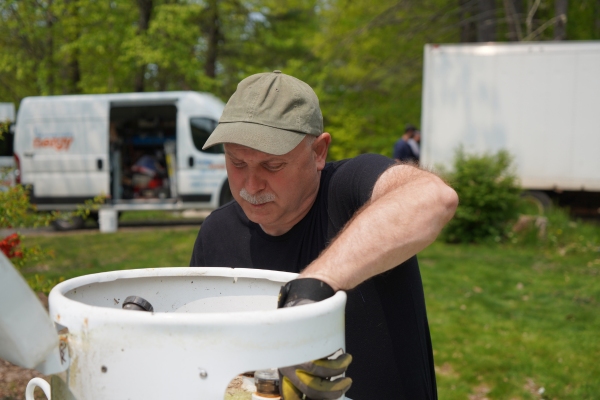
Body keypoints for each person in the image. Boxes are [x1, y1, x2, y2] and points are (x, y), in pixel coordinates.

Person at [190, 71, 458, 399]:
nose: (251, 185)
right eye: (237, 162)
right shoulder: (216, 233)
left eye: (272, 166)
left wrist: (312, 288)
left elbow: (433, 197)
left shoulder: (349, 191)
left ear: (319, 152)